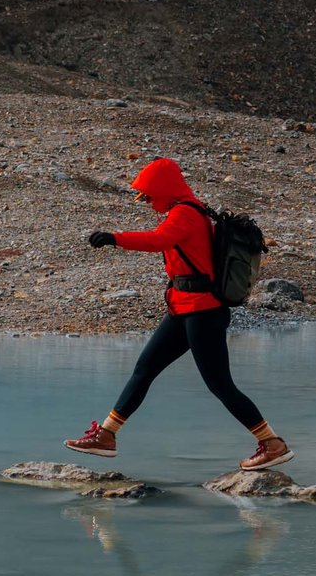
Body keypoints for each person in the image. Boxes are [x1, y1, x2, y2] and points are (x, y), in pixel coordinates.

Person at [65, 157, 292, 470]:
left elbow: (159, 240)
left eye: (147, 196)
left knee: (220, 384)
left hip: (203, 312)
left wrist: (115, 238)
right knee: (144, 368)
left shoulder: (186, 212)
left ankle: (272, 444)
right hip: (183, 309)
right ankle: (106, 436)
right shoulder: (182, 210)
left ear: (163, 190)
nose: (146, 203)